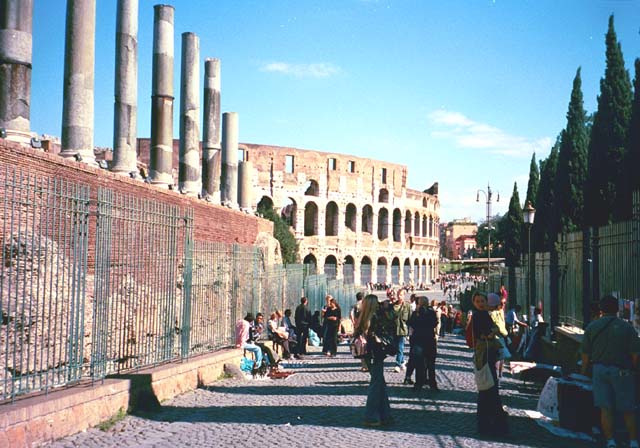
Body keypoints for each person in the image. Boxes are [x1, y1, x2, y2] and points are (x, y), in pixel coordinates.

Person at [581, 295, 640, 448]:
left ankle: (610, 441)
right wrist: (633, 368)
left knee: (605, 408)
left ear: (601, 309)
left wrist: (583, 371)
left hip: (599, 370)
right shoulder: (627, 328)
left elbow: (585, 355)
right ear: (618, 309)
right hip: (622, 370)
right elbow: (635, 354)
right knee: (628, 408)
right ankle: (633, 441)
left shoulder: (592, 327)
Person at [354, 294, 395, 427]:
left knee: (380, 383)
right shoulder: (376, 317)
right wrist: (387, 309)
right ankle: (370, 416)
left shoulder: (362, 317)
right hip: (376, 353)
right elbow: (390, 325)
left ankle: (385, 415)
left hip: (367, 354)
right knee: (376, 385)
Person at [472, 291, 508, 437]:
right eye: (478, 301)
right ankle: (492, 423)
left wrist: (492, 331)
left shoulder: (484, 314)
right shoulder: (478, 315)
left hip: (488, 354)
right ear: (474, 303)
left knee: (488, 389)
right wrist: (491, 332)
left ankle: (488, 423)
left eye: (482, 301)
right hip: (485, 354)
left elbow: (495, 329)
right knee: (489, 388)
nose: (481, 303)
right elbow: (485, 333)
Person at [406, 296, 438, 391]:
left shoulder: (416, 313)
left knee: (419, 364)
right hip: (429, 340)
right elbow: (434, 324)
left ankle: (419, 383)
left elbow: (411, 323)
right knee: (431, 364)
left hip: (418, 340)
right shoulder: (431, 313)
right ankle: (432, 384)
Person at [489, 293, 509, 378]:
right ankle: (495, 374)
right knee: (497, 357)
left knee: (502, 357)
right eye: (501, 303)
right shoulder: (492, 313)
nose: (503, 305)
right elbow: (495, 326)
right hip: (496, 337)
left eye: (504, 303)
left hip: (502, 336)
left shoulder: (501, 311)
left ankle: (500, 374)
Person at [392, 288, 411, 372]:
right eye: (398, 295)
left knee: (400, 347)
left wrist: (410, 332)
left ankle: (397, 364)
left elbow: (410, 319)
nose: (399, 297)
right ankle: (403, 361)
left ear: (404, 296)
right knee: (396, 348)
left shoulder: (407, 306)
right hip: (394, 330)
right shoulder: (393, 306)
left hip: (403, 330)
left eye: (401, 295)